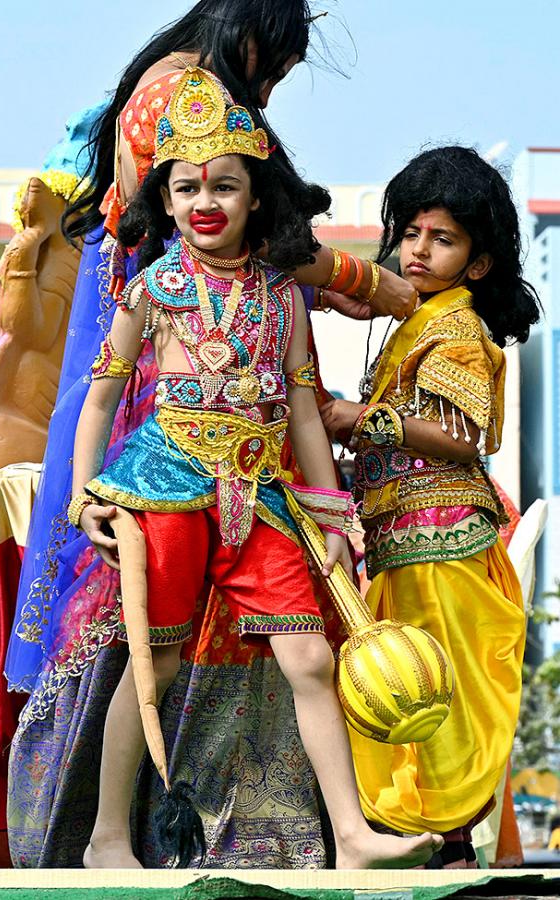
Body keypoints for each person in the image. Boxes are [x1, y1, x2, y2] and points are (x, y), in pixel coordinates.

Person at [4, 0, 411, 868]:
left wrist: (330, 513)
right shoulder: (152, 290)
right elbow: (101, 400)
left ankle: (351, 838)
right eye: (185, 187)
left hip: (260, 496)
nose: (203, 202)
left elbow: (304, 411)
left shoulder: (275, 296)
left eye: (224, 185)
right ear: (166, 194)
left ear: (256, 195)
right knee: (150, 662)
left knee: (307, 655)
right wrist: (84, 495)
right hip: (166, 488)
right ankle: (107, 836)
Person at [320, 145, 541, 868]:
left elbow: (461, 437)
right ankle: (429, 842)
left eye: (441, 238)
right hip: (402, 543)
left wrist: (359, 420)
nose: (418, 248)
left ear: (476, 263)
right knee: (406, 691)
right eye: (411, 231)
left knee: (432, 694)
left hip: (440, 544)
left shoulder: (455, 328)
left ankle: (446, 843)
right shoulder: (414, 321)